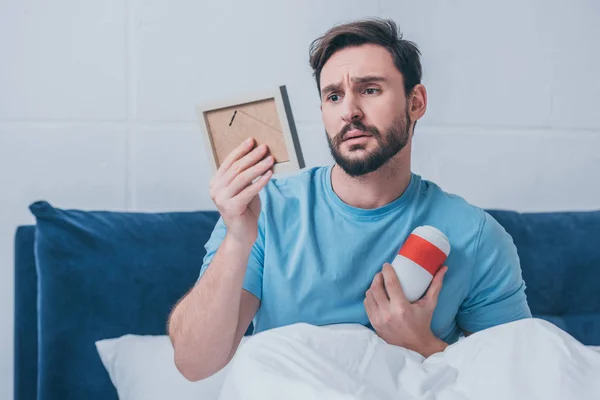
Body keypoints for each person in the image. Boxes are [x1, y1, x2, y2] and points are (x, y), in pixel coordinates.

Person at [167, 18, 532, 381]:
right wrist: (237, 238)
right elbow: (194, 363)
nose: (350, 111)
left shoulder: (476, 235)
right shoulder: (265, 211)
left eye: (370, 90)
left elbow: (517, 380)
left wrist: (423, 344)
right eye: (334, 96)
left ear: (415, 102)